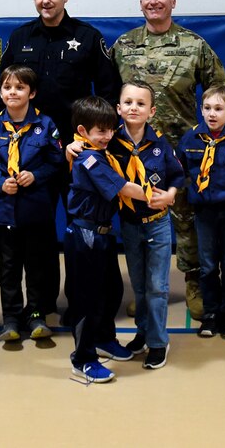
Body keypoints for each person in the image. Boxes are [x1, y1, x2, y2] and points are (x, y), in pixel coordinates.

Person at [0, 0, 122, 319]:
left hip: (78, 154)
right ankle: (43, 303)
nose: (45, 0)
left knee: (84, 231)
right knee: (38, 233)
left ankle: (84, 301)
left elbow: (109, 92)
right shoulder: (20, 37)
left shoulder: (87, 37)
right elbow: (2, 95)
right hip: (32, 155)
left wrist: (98, 142)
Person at [112, 0, 225, 320]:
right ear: (140, 3)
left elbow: (218, 91)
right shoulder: (123, 46)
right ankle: (146, 291)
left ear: (173, 2)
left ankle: (195, 285)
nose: (154, 1)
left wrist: (215, 141)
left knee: (188, 221)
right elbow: (109, 97)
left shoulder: (195, 46)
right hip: (136, 153)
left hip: (182, 153)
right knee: (141, 222)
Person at [64, 96, 148, 383]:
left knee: (111, 291)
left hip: (102, 233)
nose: (108, 136)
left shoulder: (99, 150)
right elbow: (123, 188)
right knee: (87, 300)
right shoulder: (88, 158)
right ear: (83, 131)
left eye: (111, 130)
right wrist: (156, 195)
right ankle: (83, 359)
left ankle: (103, 338)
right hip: (84, 235)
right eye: (100, 131)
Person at [0, 65, 63, 341]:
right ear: (1, 92)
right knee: (9, 268)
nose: (12, 92)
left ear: (32, 92)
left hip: (36, 209)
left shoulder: (46, 125)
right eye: (7, 87)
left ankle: (37, 314)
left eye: (19, 87)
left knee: (37, 266)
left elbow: (56, 162)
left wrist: (36, 175)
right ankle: (11, 318)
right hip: (6, 211)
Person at [108, 81, 184, 369]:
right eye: (127, 102)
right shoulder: (111, 143)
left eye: (140, 104)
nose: (133, 108)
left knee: (157, 286)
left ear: (151, 111)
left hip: (158, 224)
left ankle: (157, 342)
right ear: (118, 108)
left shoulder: (160, 144)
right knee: (139, 286)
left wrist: (172, 194)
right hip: (129, 223)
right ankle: (143, 331)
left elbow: (177, 176)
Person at [177, 84, 225, 339]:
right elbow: (180, 169)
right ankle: (210, 314)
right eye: (207, 108)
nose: (212, 114)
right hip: (203, 210)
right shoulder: (190, 139)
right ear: (201, 109)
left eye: (219, 109)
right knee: (208, 265)